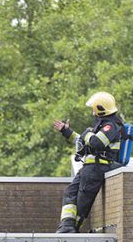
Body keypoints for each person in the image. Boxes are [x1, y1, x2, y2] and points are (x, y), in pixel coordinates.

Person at [52, 92, 125, 233]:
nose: (92, 113)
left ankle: (72, 230)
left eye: (94, 109)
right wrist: (66, 131)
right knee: (70, 192)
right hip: (89, 168)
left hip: (98, 168)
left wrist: (87, 134)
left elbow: (97, 143)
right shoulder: (101, 126)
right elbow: (83, 142)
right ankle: (66, 226)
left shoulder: (111, 126)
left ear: (100, 109)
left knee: (82, 202)